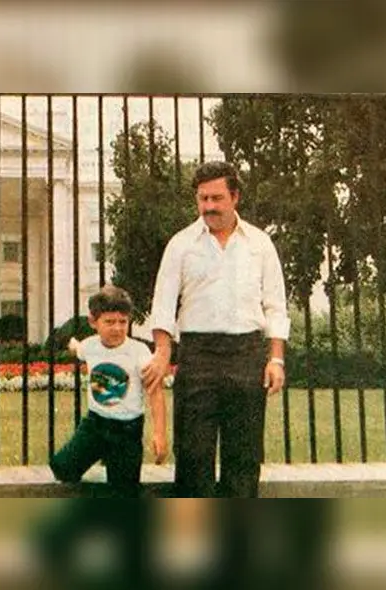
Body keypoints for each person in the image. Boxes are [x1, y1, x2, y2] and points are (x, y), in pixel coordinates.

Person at [142, 160, 290, 498]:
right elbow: (163, 303)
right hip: (198, 357)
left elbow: (275, 305)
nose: (208, 206)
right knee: (193, 454)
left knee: (244, 456)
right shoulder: (181, 245)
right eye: (203, 198)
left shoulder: (260, 244)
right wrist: (163, 351)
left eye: (217, 198)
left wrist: (276, 359)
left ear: (235, 197)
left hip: (246, 356)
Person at [49, 285, 168, 498]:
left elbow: (156, 393)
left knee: (123, 493)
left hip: (127, 432)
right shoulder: (90, 346)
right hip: (95, 426)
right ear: (93, 322)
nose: (117, 328)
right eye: (110, 322)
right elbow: (78, 349)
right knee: (62, 468)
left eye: (123, 322)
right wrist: (70, 341)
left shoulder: (139, 352)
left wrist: (159, 435)